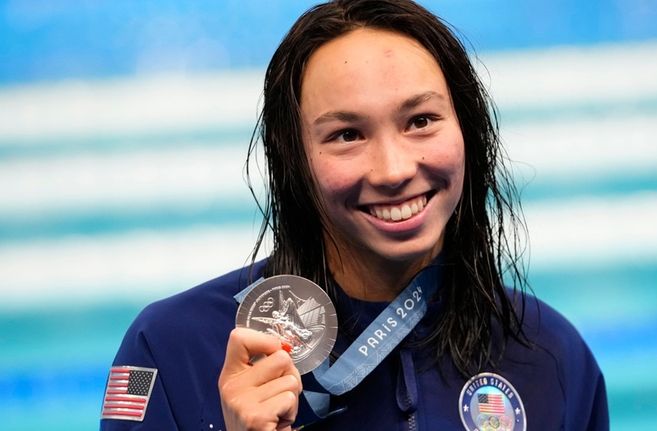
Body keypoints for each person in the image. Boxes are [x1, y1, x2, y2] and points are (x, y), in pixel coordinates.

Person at [100, 0, 608, 430]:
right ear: (293, 160)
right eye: (347, 134)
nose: (392, 170)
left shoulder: (551, 353)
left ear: (467, 130)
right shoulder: (170, 349)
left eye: (421, 121)